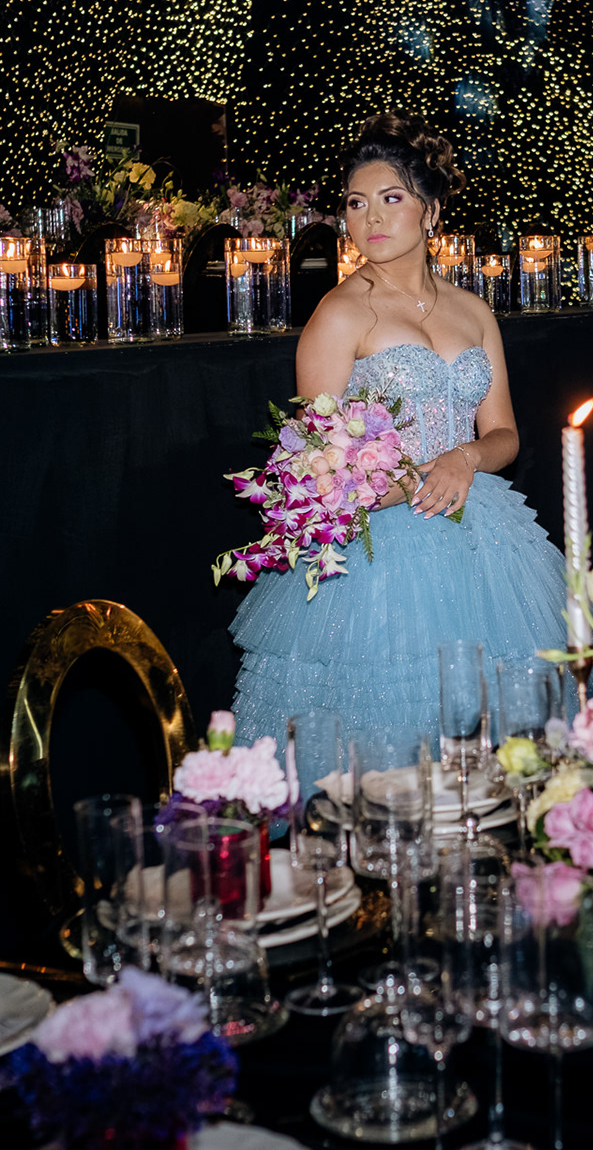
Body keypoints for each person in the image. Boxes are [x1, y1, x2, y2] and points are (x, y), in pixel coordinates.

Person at [228, 113, 567, 759]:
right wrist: (408, 480)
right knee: (390, 738)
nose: (370, 218)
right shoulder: (340, 313)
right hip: (380, 547)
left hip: (482, 531)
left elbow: (504, 434)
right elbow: (315, 462)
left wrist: (465, 457)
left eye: (390, 199)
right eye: (356, 203)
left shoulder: (473, 310)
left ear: (431, 212)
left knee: (507, 731)